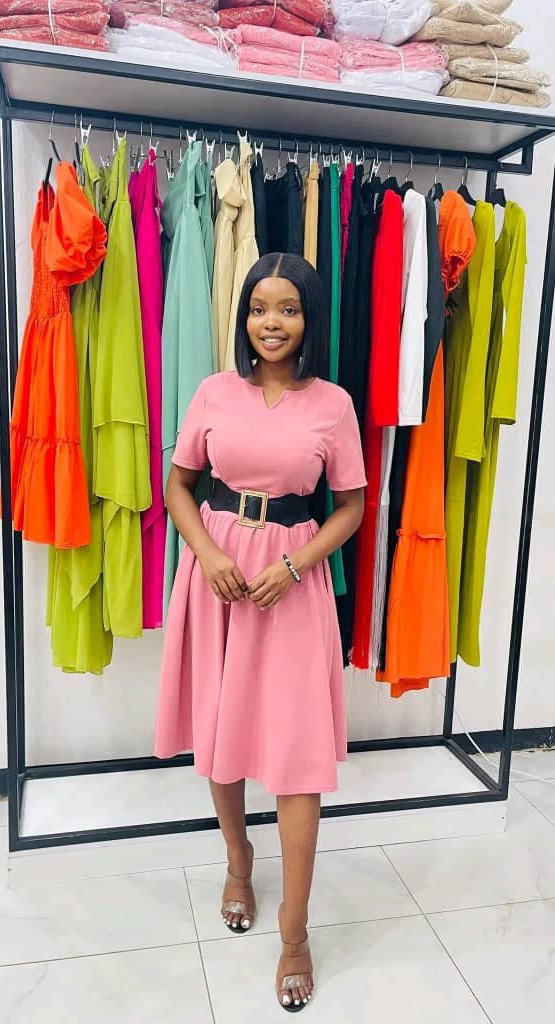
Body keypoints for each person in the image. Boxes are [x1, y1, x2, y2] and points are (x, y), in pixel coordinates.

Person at [155, 252, 366, 1011]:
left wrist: (298, 564)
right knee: (223, 729)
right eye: (257, 308)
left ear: (308, 318)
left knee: (298, 754)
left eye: (287, 309)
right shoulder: (214, 391)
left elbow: (351, 505)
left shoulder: (333, 405)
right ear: (243, 316)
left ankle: (295, 934)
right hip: (217, 576)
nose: (270, 323)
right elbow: (179, 486)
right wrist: (207, 555)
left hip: (291, 584)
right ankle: (239, 861)